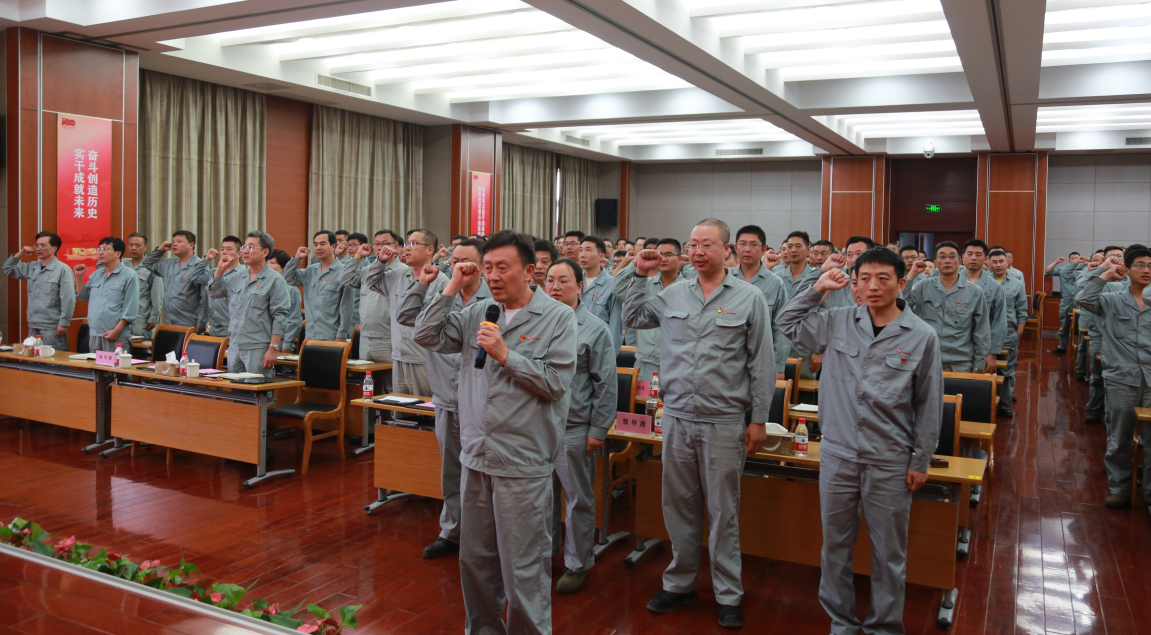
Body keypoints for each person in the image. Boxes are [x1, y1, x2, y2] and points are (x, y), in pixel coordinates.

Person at [414, 230, 576, 635]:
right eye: (487, 268)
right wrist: (452, 285)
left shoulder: (558, 317)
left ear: (530, 271)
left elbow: (556, 383)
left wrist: (506, 355)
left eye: (503, 267)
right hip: (475, 455)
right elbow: (425, 335)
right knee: (475, 561)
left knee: (523, 566)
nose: (493, 276)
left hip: (521, 462)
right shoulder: (478, 312)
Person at [777, 246, 943, 635]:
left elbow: (929, 404)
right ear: (853, 285)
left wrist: (921, 460)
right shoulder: (836, 321)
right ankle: (842, 622)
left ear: (901, 283)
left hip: (889, 458)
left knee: (888, 554)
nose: (872, 286)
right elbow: (786, 321)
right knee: (835, 547)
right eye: (863, 279)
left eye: (883, 279)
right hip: (838, 454)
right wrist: (817, 288)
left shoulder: (922, 336)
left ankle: (884, 626)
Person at [623, 219, 773, 629]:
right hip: (677, 417)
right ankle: (680, 583)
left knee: (724, 511)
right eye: (693, 245)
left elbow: (761, 363)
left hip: (724, 420)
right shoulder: (673, 293)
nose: (698, 251)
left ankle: (728, 593)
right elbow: (633, 316)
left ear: (727, 250)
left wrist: (759, 420)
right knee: (679, 506)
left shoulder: (749, 298)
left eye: (707, 244)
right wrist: (640, 273)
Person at [395, 238, 490, 561]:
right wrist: (424, 284)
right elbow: (406, 317)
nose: (459, 265)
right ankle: (452, 532)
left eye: (467, 260)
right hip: (447, 398)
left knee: (481, 475)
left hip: (482, 403)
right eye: (454, 259)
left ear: (482, 266)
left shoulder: (493, 300)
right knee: (451, 472)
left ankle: (483, 537)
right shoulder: (441, 292)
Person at [544, 258, 617, 594]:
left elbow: (606, 384)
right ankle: (544, 555)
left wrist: (597, 430)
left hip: (574, 428)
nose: (555, 287)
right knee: (541, 498)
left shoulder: (595, 329)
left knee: (577, 501)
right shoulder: (537, 322)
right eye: (550, 280)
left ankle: (577, 564)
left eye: (563, 281)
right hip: (538, 427)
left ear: (580, 286)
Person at [1078, 249, 1151, 511]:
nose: (1146, 270)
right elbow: (1083, 298)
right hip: (1122, 379)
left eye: (1150, 265)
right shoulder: (1112, 300)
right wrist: (1106, 271)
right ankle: (1120, 488)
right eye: (1140, 265)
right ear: (1127, 270)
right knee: (1120, 437)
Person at [364, 228, 448, 397]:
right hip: (399, 356)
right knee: (399, 407)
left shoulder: (441, 282)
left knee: (424, 406)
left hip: (423, 358)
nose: (407, 248)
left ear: (430, 249)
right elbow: (371, 282)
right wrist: (381, 261)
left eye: (413, 243)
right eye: (406, 244)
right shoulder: (398, 275)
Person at [208, 232, 291, 377]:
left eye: (251, 247)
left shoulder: (275, 280)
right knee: (236, 389)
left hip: (258, 347)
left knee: (257, 388)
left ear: (265, 252)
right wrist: (220, 269)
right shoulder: (237, 277)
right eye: (244, 247)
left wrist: (273, 348)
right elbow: (214, 293)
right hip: (235, 345)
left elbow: (280, 316)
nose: (245, 251)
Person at [903, 241, 991, 373]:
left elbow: (982, 331)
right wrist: (911, 274)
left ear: (960, 261)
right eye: (942, 257)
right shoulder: (923, 286)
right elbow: (901, 307)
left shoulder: (974, 292)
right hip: (927, 359)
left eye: (952, 257)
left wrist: (978, 366)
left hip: (960, 362)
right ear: (936, 263)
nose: (947, 261)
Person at [613, 238, 685, 379]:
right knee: (643, 394)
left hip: (678, 363)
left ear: (680, 258)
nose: (663, 259)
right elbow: (617, 288)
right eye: (660, 254)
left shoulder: (688, 288)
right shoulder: (643, 284)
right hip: (646, 362)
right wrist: (635, 264)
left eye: (669, 255)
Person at [731, 225, 790, 378]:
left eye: (753, 244)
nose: (747, 249)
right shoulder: (725, 278)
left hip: (761, 361)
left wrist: (779, 367)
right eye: (743, 244)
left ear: (764, 250)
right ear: (736, 248)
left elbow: (781, 327)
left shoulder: (775, 283)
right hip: (728, 360)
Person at [4, 232, 76, 351]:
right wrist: (21, 253)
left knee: (53, 359)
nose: (38, 248)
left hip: (52, 326)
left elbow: (68, 298)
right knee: (34, 359)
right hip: (33, 324)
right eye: (36, 245)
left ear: (54, 248)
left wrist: (63, 323)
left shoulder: (63, 269)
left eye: (43, 245)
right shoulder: (31, 267)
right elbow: (8, 268)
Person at [339, 230, 401, 363]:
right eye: (377, 244)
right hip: (365, 338)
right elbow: (344, 278)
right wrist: (358, 256)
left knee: (389, 376)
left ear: (396, 247)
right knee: (367, 376)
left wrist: (398, 340)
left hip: (389, 339)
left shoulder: (403, 272)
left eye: (385, 244)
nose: (380, 247)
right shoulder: (367, 271)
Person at [1079, 247, 1125, 423]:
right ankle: (1095, 409)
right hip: (1099, 334)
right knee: (1097, 375)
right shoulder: (1102, 278)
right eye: (1112, 257)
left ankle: (1113, 414)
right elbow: (1080, 291)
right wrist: (1102, 270)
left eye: (1120, 256)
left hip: (1123, 339)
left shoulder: (1130, 281)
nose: (1116, 259)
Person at [72, 237, 139, 352]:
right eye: (99, 249)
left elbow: (130, 308)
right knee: (95, 364)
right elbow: (83, 296)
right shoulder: (96, 274)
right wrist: (78, 276)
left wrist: (117, 331)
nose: (100, 252)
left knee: (115, 364)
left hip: (115, 334)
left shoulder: (129, 275)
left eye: (105, 249)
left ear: (118, 253)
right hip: (95, 333)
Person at [284, 230, 351, 342]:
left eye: (322, 244)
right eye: (315, 245)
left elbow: (346, 308)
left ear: (333, 246)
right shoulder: (310, 270)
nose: (318, 248)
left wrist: (341, 335)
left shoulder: (343, 272)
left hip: (331, 336)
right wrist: (297, 258)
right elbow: (287, 279)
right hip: (310, 335)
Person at [139, 230, 209, 329]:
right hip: (169, 322)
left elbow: (204, 299)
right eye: (173, 241)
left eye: (179, 241)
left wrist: (201, 325)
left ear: (191, 245)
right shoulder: (169, 263)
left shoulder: (200, 266)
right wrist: (160, 250)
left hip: (189, 324)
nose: (174, 244)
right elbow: (146, 263)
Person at [988, 249, 1028, 416]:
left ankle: (1005, 405)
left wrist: (1019, 332)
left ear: (1007, 262)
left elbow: (1022, 310)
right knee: (987, 370)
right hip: (986, 333)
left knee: (1007, 371)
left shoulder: (1017, 284)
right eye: (994, 262)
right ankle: (987, 404)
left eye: (1001, 261)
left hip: (1009, 333)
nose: (998, 265)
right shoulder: (984, 282)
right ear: (989, 263)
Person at [961, 239, 1007, 374]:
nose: (973, 258)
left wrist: (992, 353)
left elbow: (999, 322)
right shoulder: (952, 281)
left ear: (986, 259)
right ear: (963, 257)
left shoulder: (995, 287)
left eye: (978, 254)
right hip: (956, 346)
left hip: (981, 346)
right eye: (969, 254)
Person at [201, 236, 245, 338]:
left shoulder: (244, 275)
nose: (224, 252)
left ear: (239, 253)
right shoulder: (215, 272)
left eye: (229, 249)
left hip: (232, 329)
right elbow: (194, 276)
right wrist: (207, 259)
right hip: (214, 328)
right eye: (222, 249)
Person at [124, 232, 163, 338]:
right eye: (131, 245)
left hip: (141, 318)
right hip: (122, 318)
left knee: (139, 346)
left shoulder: (152, 266)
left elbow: (157, 295)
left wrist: (154, 318)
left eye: (137, 245)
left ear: (145, 247)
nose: (133, 248)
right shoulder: (123, 264)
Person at [1045, 252, 1085, 354]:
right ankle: (1062, 346)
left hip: (1079, 302)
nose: (1075, 260)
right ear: (1069, 260)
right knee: (1064, 324)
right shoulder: (1063, 270)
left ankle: (1080, 347)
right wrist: (1057, 262)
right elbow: (1048, 271)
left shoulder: (1084, 270)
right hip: (1066, 301)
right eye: (1073, 258)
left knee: (1080, 325)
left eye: (1077, 258)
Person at [268, 249, 302, 353]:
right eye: (267, 263)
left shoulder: (291, 290)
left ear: (284, 267)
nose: (268, 266)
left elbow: (294, 319)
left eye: (272, 263)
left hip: (281, 342)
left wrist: (288, 342)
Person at [343, 232, 368, 329]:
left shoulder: (368, 269)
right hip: (344, 318)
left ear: (363, 246)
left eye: (353, 245)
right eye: (348, 245)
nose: (350, 248)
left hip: (359, 319)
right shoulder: (345, 267)